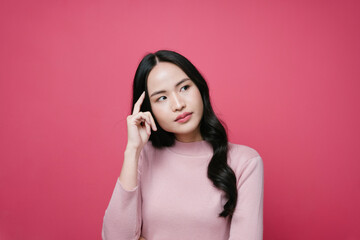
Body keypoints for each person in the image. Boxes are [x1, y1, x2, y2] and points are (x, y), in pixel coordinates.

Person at [102, 50, 264, 240]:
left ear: (200, 88)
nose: (178, 105)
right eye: (161, 98)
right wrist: (132, 151)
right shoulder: (142, 157)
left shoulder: (245, 162)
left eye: (184, 88)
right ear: (148, 110)